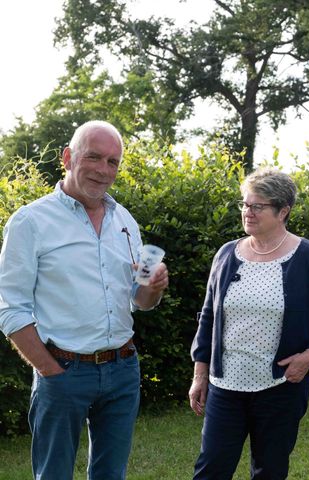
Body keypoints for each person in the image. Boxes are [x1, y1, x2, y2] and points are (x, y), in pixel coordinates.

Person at [0, 120, 169, 480]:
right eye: (93, 157)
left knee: (111, 475)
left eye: (112, 162)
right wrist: (48, 370)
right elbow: (10, 307)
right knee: (54, 475)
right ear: (67, 158)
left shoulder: (125, 220)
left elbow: (139, 301)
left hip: (123, 368)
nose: (103, 170)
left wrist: (152, 289)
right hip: (62, 370)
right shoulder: (30, 221)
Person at [189, 167, 309, 480]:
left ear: (283, 211)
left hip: (279, 388)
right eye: (245, 204)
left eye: (257, 206)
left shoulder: (308, 258)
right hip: (226, 386)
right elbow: (209, 316)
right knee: (210, 469)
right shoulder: (226, 255)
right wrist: (200, 374)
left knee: (269, 472)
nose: (247, 212)